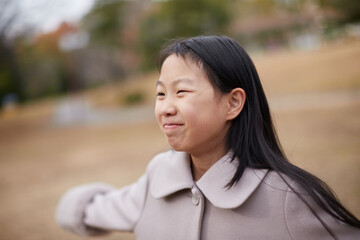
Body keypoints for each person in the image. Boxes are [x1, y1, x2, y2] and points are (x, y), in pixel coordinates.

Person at [56, 36, 360, 239]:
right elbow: (89, 210)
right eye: (160, 93)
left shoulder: (289, 198)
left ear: (233, 103)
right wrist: (72, 205)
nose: (165, 108)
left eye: (181, 92)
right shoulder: (158, 179)